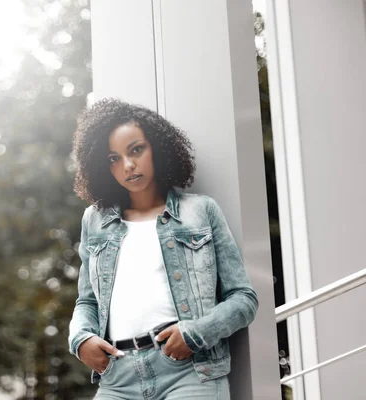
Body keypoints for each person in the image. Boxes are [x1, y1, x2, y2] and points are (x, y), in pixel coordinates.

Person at [67, 98, 258, 399]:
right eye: (113, 158)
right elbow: (87, 301)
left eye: (136, 150)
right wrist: (80, 339)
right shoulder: (95, 220)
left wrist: (195, 334)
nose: (128, 166)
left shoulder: (200, 211)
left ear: (157, 147)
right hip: (117, 376)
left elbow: (243, 300)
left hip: (189, 370)